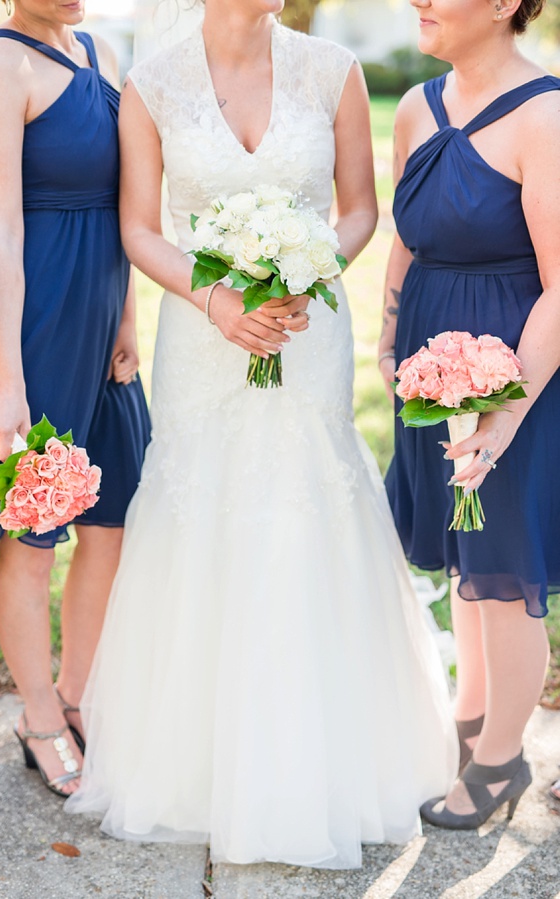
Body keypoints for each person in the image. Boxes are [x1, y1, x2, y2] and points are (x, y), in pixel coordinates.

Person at [66, 0, 458, 868]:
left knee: (303, 507)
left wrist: (308, 267)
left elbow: (360, 209)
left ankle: (321, 760)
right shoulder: (151, 83)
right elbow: (139, 227)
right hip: (203, 347)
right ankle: (193, 768)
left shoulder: (333, 72)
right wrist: (217, 300)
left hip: (304, 330)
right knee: (204, 506)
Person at [0, 0, 151, 796]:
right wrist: (7, 382)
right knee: (33, 536)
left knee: (111, 522)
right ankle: (37, 714)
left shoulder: (100, 49)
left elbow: (126, 208)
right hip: (34, 329)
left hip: (103, 326)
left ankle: (75, 694)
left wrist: (128, 319)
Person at [380, 0, 560, 828]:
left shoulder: (547, 114)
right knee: (463, 558)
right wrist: (388, 340)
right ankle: (472, 716)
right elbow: (406, 239)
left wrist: (505, 416)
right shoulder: (418, 107)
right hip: (428, 367)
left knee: (504, 567)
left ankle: (500, 763)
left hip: (515, 370)